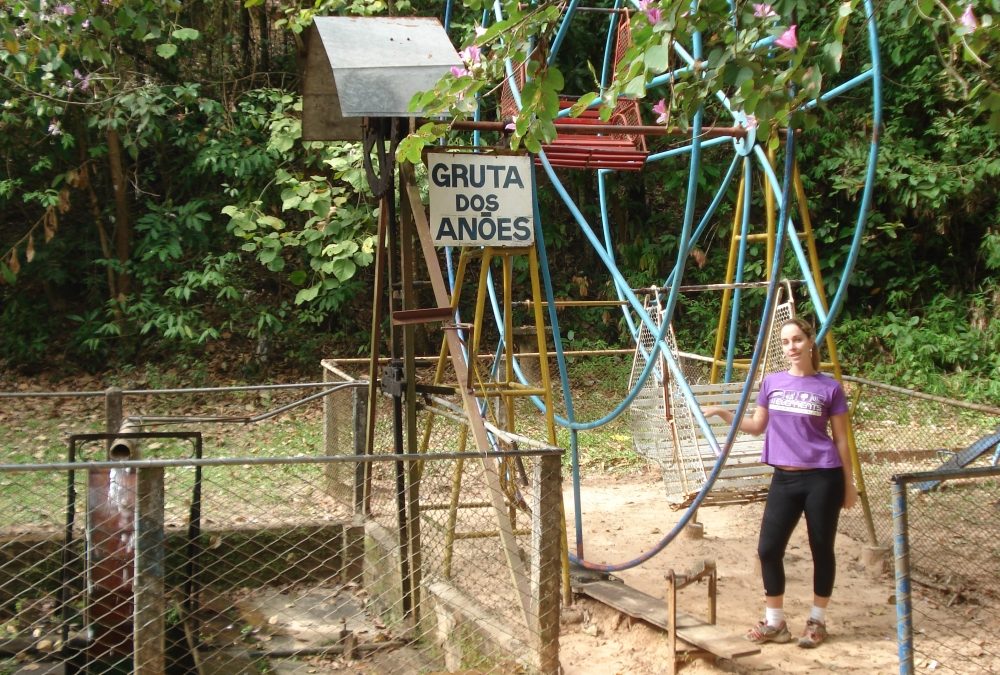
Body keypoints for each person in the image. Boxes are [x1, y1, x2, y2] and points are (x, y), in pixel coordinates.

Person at [703, 317, 857, 649]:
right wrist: (724, 413)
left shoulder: (829, 388)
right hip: (784, 478)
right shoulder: (772, 383)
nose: (792, 347)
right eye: (786, 342)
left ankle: (817, 621)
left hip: (823, 477)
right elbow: (757, 426)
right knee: (768, 549)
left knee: (821, 549)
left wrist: (849, 484)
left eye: (797, 339)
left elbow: (842, 440)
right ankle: (775, 623)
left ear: (810, 341)